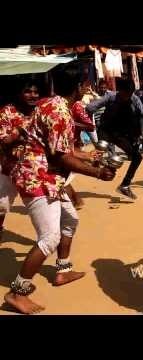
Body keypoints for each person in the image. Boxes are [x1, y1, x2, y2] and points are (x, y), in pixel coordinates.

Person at [4, 64, 116, 314]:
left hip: (46, 175)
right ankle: (16, 292)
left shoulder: (51, 104)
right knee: (49, 236)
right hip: (38, 177)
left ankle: (62, 270)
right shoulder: (59, 112)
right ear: (79, 87)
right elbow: (60, 158)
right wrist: (98, 172)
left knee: (70, 219)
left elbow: (59, 149)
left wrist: (89, 157)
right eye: (86, 85)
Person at [86, 78, 143, 201]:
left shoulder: (134, 99)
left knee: (137, 157)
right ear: (119, 91)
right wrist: (86, 124)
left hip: (121, 134)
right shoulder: (110, 97)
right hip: (105, 131)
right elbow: (90, 108)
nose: (127, 97)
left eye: (129, 94)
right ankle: (98, 166)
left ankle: (125, 185)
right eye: (125, 94)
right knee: (101, 155)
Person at [0, 79, 39, 241]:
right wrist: (20, 131)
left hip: (35, 170)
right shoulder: (7, 111)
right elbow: (3, 140)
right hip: (10, 168)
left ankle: (49, 238)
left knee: (46, 205)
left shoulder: (40, 111)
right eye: (28, 91)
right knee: (1, 207)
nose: (32, 95)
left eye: (36, 92)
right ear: (20, 93)